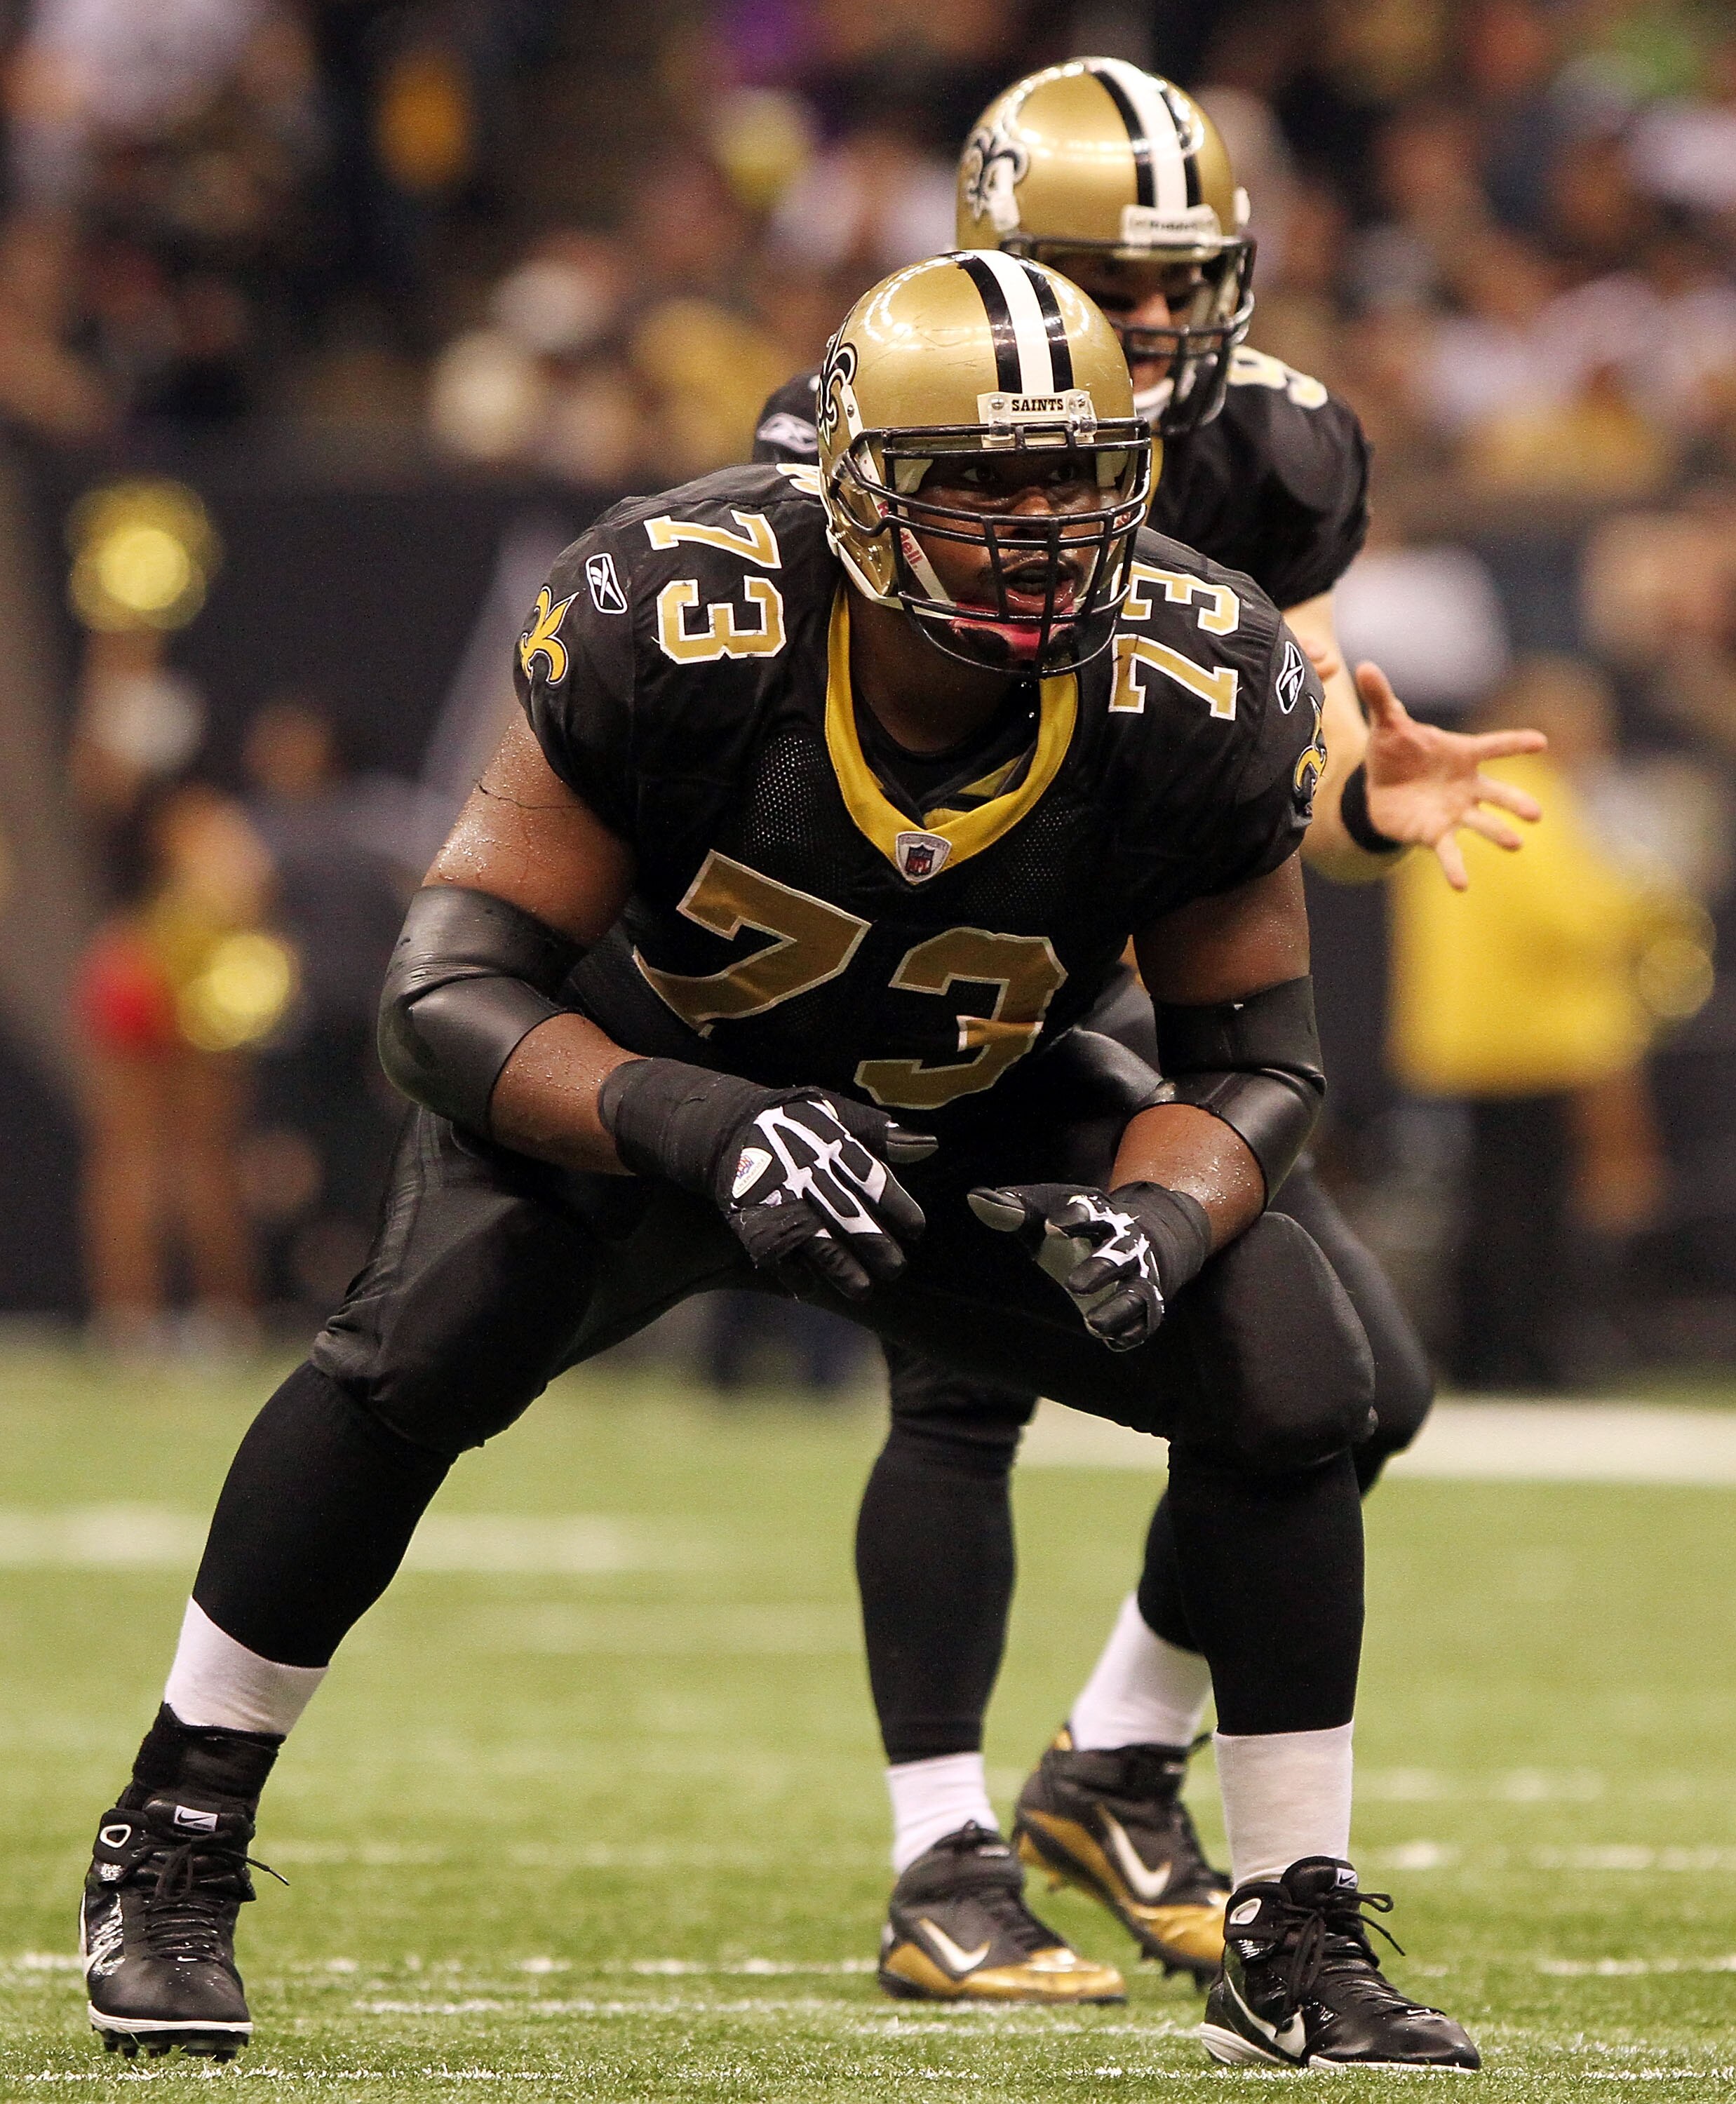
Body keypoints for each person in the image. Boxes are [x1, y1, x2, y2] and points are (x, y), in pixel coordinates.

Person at [76, 255, 1477, 2075]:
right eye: (989, 484)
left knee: (1293, 1359)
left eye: (1078, 482)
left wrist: (1163, 1204)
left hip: (968, 1103)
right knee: (418, 1342)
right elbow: (446, 995)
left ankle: (1286, 1928)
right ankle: (175, 1834)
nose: (1048, 531)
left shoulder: (1194, 676)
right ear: (863, 489)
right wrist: (693, 1120)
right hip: (642, 1082)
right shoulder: (684, 616)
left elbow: (1257, 1062)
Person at [751, 58, 1544, 1991]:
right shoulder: (864, 423)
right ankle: (940, 1852)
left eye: (1192, 277)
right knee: (961, 1388)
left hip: (1099, 967)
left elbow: (1290, 796)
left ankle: (1110, 1755)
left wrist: (1367, 807)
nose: (1165, 320)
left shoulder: (1273, 455)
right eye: (1117, 278)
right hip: (887, 952)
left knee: (1359, 1394)